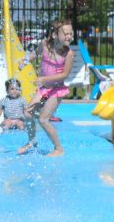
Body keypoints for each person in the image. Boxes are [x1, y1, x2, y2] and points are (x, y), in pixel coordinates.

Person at [17, 19, 74, 156]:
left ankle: (59, 149)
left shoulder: (68, 54)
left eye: (71, 34)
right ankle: (32, 142)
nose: (69, 37)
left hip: (56, 90)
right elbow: (35, 54)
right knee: (27, 113)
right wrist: (25, 61)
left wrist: (44, 79)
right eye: (65, 34)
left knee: (43, 119)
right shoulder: (45, 45)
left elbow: (64, 75)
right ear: (54, 35)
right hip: (44, 88)